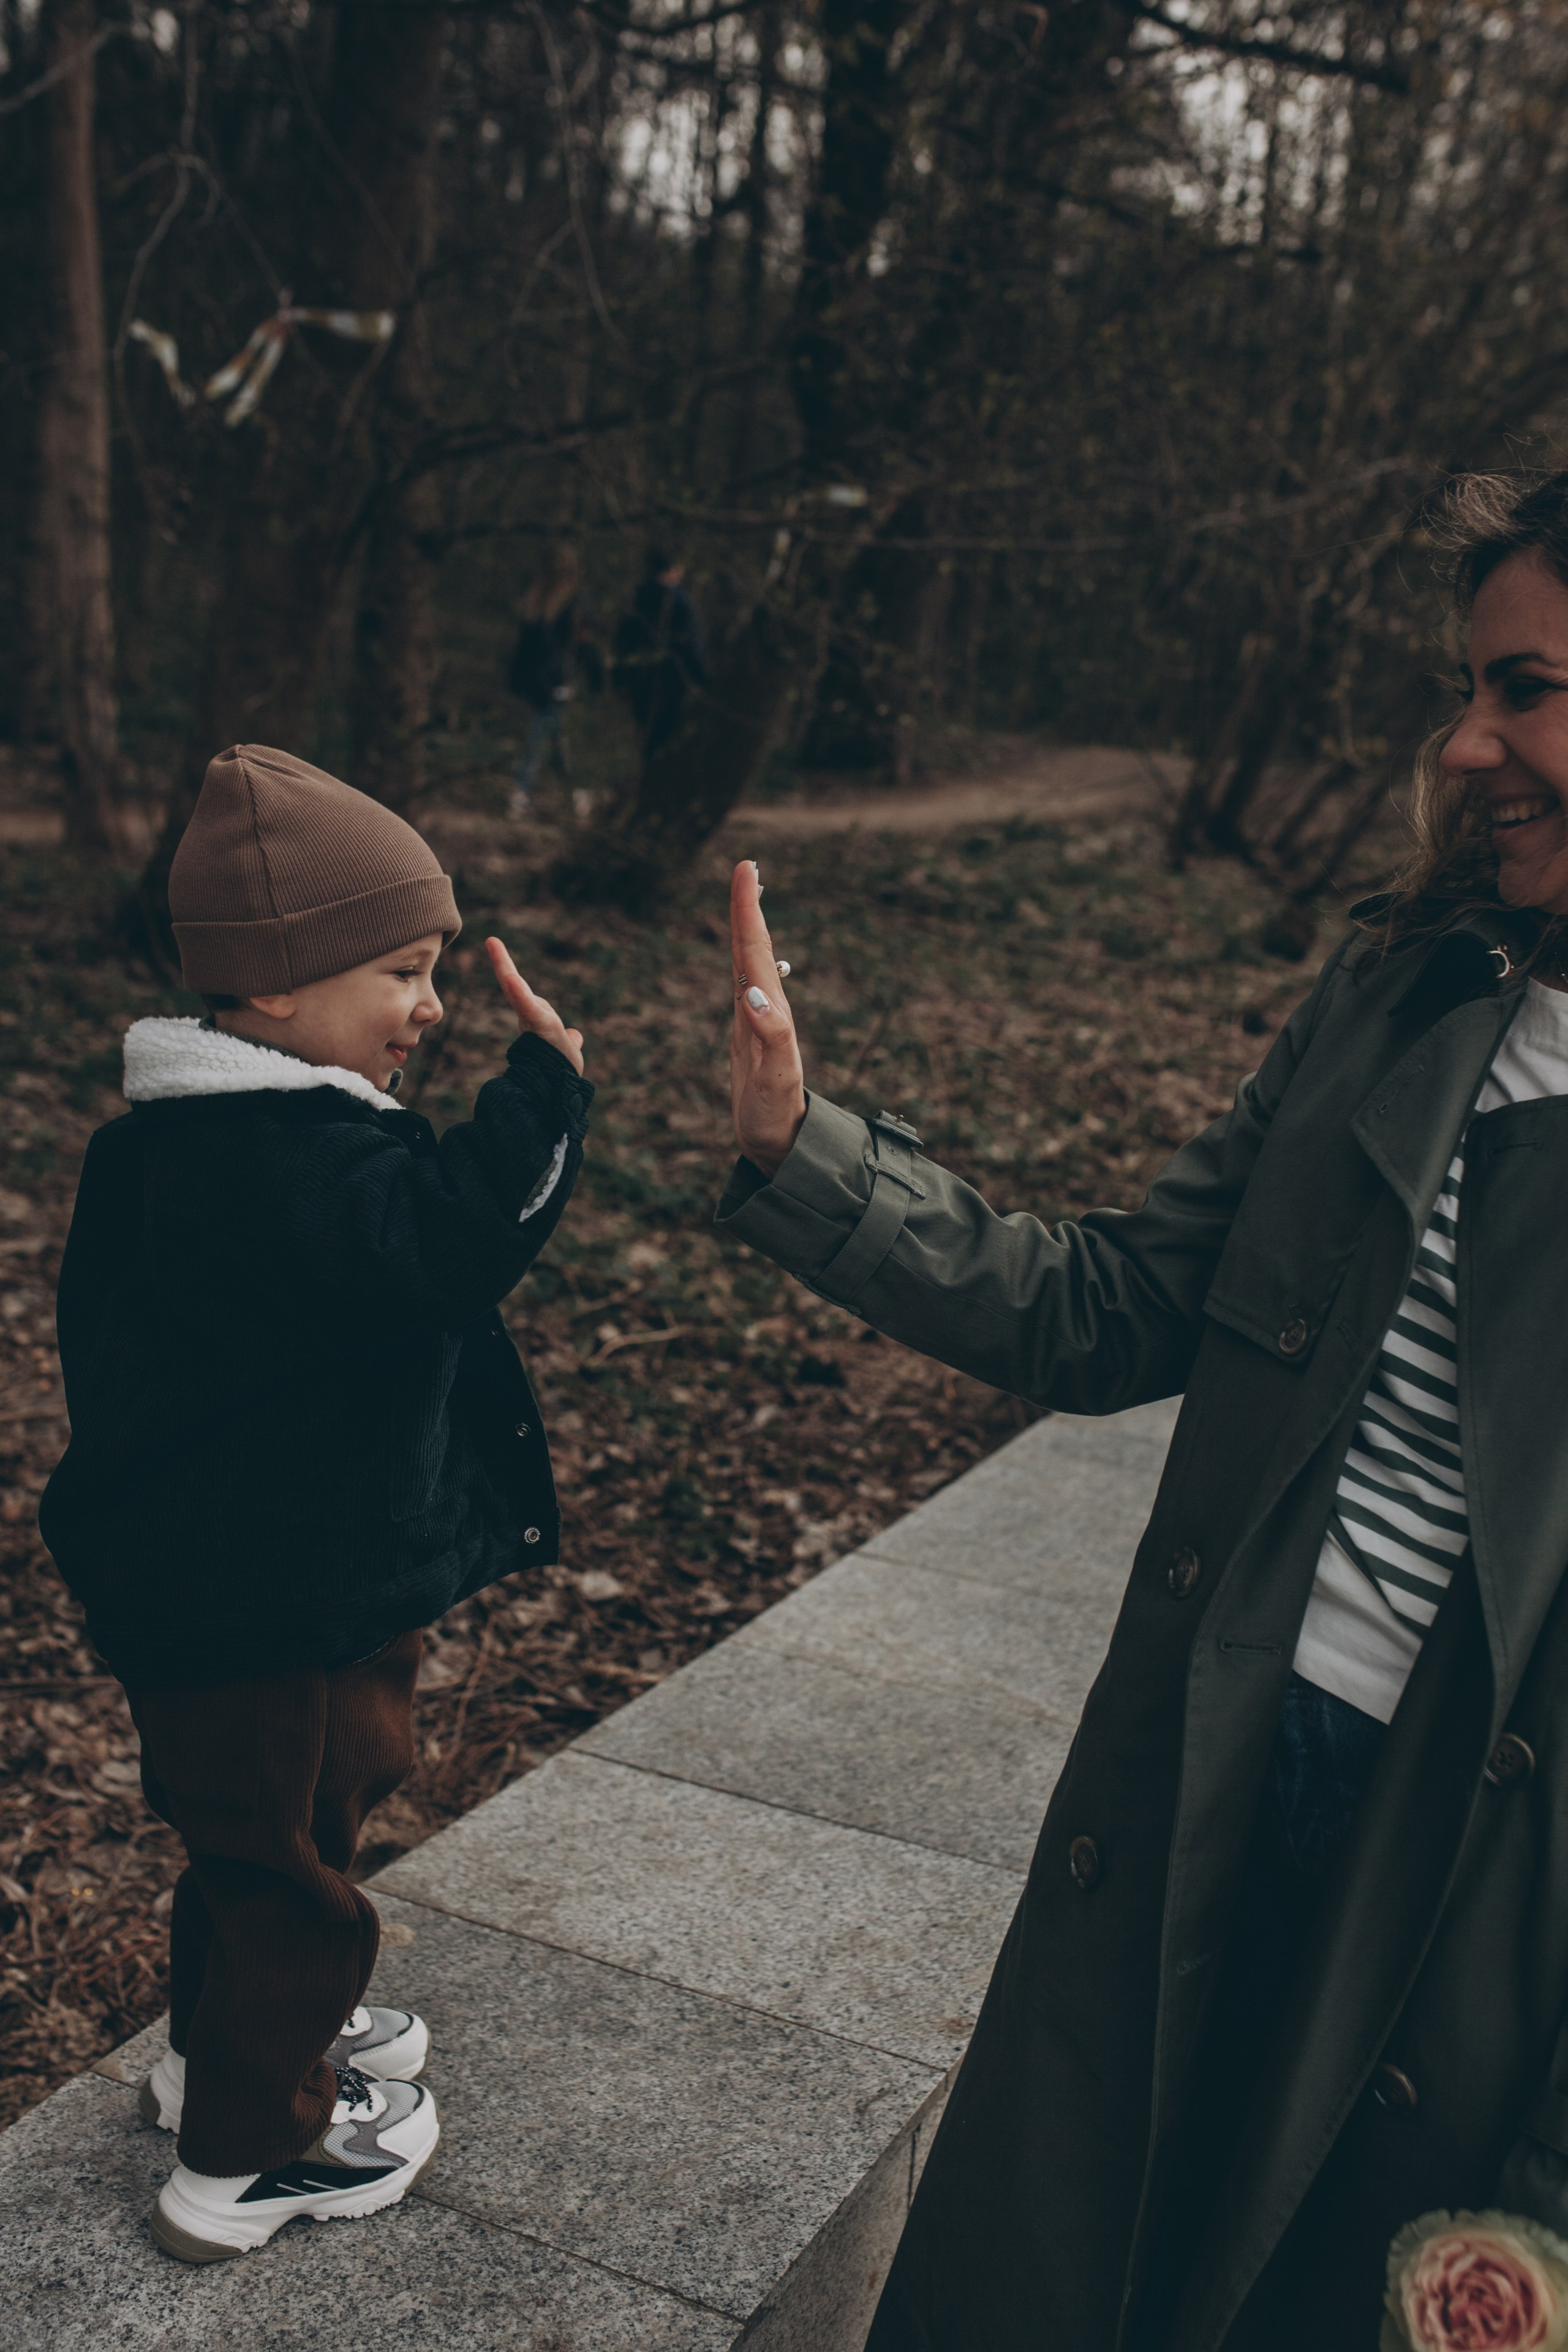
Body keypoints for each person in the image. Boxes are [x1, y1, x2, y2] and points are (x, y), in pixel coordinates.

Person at [717, 470, 1568, 2350]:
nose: (1468, 741)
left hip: (1456, 1911)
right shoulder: (1400, 991)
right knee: (1070, 2271)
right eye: (1468, 686)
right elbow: (1118, 1306)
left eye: (1525, 685)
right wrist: (808, 1155)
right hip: (1214, 1768)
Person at [39, 744, 591, 2264]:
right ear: (276, 990)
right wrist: (542, 1093)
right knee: (292, 1872)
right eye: (402, 969)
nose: (429, 1003)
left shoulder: (178, 1143)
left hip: (245, 1585)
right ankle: (252, 2148)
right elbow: (451, 1242)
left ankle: (213, 2046)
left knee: (260, 1836)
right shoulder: (286, 1162)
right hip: (270, 1600)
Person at [506, 541, 600, 815]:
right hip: (555, 681)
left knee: (555, 736)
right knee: (543, 734)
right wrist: (595, 678)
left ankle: (572, 792)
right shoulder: (569, 603)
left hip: (541, 680)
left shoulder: (538, 600)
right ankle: (520, 790)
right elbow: (584, 646)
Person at [613, 545, 707, 762]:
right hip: (671, 680)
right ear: (674, 569)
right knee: (665, 738)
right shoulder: (679, 602)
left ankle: (648, 776)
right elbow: (692, 644)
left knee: (647, 737)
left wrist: (621, 682)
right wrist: (701, 678)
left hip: (640, 681)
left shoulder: (637, 598)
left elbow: (622, 644)